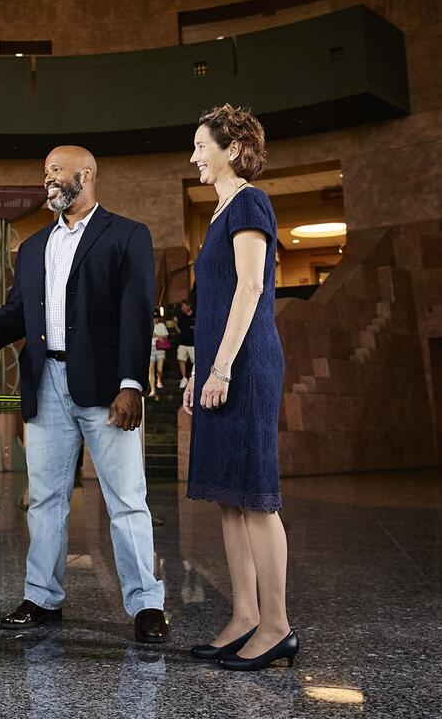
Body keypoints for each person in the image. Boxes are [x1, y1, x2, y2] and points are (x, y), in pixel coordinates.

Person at [0, 145, 168, 644]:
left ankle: (146, 605)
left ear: (85, 175)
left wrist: (132, 383)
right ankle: (42, 598)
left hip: (107, 389)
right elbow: (20, 312)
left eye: (56, 171)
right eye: (45, 172)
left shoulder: (128, 235)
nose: (47, 180)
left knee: (127, 500)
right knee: (44, 499)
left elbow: (136, 314)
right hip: (46, 384)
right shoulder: (35, 246)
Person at [183, 104, 297, 671]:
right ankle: (245, 616)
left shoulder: (250, 202)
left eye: (201, 145)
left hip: (247, 364)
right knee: (230, 500)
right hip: (221, 362)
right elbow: (212, 305)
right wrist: (196, 373)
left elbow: (251, 289)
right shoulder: (218, 213)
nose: (195, 156)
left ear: (230, 149)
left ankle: (276, 626)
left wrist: (223, 367)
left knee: (255, 498)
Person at [175, 300, 196, 387]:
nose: (182, 308)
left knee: (195, 361)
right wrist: (175, 324)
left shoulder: (195, 316)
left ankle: (194, 378)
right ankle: (184, 378)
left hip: (193, 344)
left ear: (188, 306)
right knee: (181, 359)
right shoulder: (181, 317)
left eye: (183, 306)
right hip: (182, 343)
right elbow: (179, 331)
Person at [149, 317, 169, 397]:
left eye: (156, 318)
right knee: (151, 369)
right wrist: (158, 336)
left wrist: (156, 335)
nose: (155, 319)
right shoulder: (148, 324)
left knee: (159, 370)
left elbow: (165, 336)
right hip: (150, 348)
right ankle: (152, 390)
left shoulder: (161, 325)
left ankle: (159, 379)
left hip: (160, 348)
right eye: (153, 318)